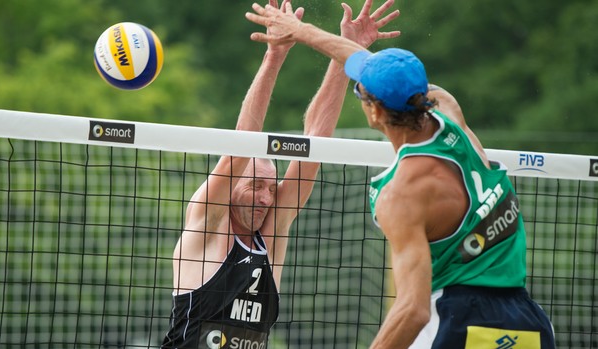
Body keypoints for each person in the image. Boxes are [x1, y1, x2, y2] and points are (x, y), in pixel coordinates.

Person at [246, 3, 557, 349]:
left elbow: (413, 310)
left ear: (375, 110)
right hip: (528, 323)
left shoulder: (400, 194)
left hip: (459, 323)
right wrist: (302, 31)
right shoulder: (447, 110)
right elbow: (364, 65)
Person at [161, 0, 400, 347]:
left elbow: (316, 142)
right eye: (255, 185)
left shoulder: (271, 233)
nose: (265, 197)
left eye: (271, 188)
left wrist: (347, 56)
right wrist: (274, 57)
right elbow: (242, 144)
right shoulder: (208, 223)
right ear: (230, 188)